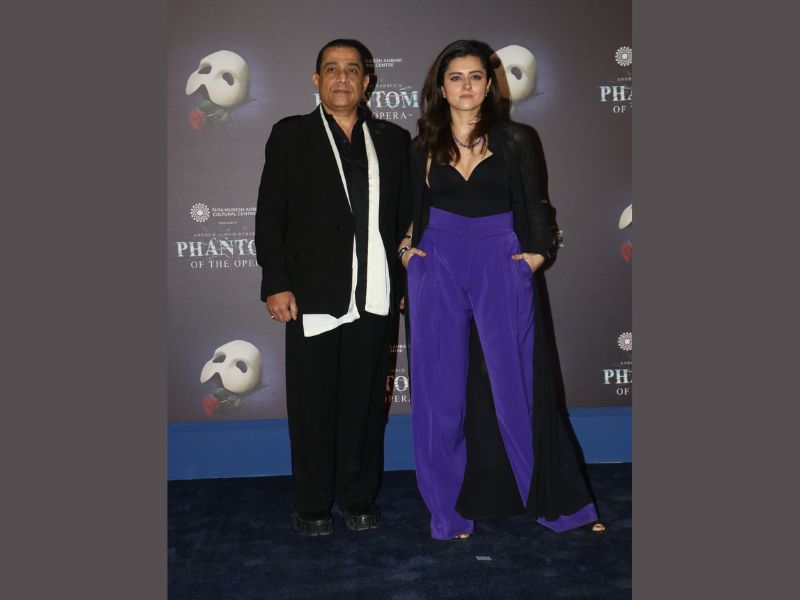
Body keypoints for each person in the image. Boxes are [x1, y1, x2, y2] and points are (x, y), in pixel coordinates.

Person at [400, 40, 605, 540]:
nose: (466, 85)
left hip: (501, 260)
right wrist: (407, 251)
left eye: (475, 76)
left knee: (517, 387)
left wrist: (535, 255)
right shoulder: (422, 144)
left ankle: (556, 505)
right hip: (437, 261)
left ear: (489, 85)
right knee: (439, 394)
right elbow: (410, 210)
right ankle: (447, 513)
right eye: (455, 77)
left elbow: (535, 204)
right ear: (440, 87)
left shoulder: (515, 139)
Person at [255, 39, 410, 536]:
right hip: (311, 294)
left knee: (363, 403)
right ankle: (312, 500)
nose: (342, 77)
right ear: (316, 80)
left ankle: (357, 495)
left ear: (367, 81)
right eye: (332, 69)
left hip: (375, 292)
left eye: (353, 70)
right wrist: (275, 282)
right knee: (312, 404)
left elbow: (405, 217)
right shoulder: (291, 135)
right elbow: (270, 215)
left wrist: (404, 280)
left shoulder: (393, 139)